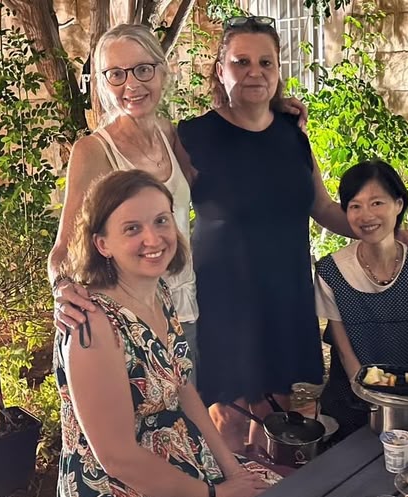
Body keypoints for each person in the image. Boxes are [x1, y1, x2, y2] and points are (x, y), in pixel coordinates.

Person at [175, 16, 408, 452]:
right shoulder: (192, 136)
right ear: (220, 69)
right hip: (225, 298)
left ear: (278, 70)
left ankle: (266, 479)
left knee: (279, 411)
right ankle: (231, 480)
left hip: (286, 291)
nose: (254, 72)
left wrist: (392, 230)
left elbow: (324, 208)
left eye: (266, 62)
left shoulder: (292, 135)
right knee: (230, 416)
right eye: (241, 62)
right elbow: (166, 214)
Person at [48, 24, 308, 383]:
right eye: (116, 74)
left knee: (191, 411)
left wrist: (272, 109)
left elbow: (232, 145)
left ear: (162, 70)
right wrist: (62, 289)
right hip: (125, 316)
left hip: (183, 308)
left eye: (143, 69)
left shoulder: (172, 135)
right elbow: (63, 249)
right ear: (103, 83)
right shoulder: (92, 150)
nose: (132, 85)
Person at [55, 169, 278, 497]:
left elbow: (183, 388)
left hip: (178, 456)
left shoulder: (158, 292)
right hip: (119, 484)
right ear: (102, 244)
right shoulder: (92, 323)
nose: (153, 239)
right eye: (132, 228)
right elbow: (117, 459)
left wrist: (233, 469)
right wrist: (216, 494)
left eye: (161, 221)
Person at [314, 159, 408, 439]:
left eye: (377, 203)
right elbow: (346, 355)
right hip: (352, 406)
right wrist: (374, 401)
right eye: (355, 206)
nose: (366, 215)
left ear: (398, 205)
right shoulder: (331, 271)